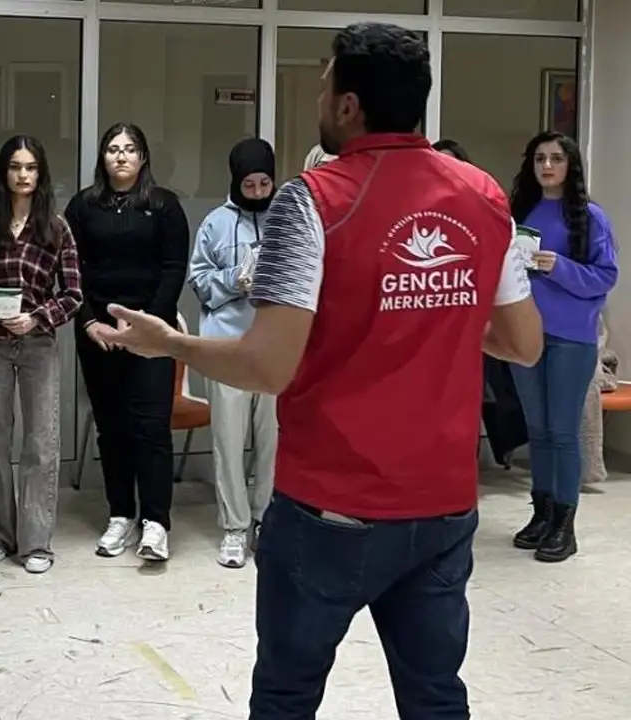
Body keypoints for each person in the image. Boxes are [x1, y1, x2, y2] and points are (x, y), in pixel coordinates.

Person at [93, 23, 543, 718]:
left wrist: (170, 344)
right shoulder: (483, 194)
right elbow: (522, 342)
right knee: (435, 698)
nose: (318, 98)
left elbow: (266, 365)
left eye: (324, 84)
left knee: (286, 696)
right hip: (444, 506)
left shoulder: (312, 200)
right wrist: (431, 312)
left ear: (348, 105)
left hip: (332, 509)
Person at [64, 122, 190, 562]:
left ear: (143, 157)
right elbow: (71, 271)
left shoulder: (164, 205)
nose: (121, 156)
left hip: (151, 336)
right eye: (113, 149)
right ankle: (120, 514)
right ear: (103, 157)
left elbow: (173, 269)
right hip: (99, 335)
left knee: (151, 427)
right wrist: (89, 323)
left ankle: (156, 522)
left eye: (130, 148)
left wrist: (147, 325)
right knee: (111, 427)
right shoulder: (82, 206)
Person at [0, 135, 82, 574]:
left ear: (40, 173)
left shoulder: (57, 227)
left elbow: (73, 294)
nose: (23, 175)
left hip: (38, 343)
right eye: (15, 167)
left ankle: (35, 543)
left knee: (41, 441)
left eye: (30, 167)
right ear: (3, 172)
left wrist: (37, 318)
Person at [506, 130, 618, 563]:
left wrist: (560, 268)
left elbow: (605, 277)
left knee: (562, 432)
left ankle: (564, 526)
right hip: (525, 334)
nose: (547, 166)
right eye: (539, 159)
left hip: (571, 338)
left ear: (570, 165)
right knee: (537, 430)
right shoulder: (520, 212)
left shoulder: (590, 218)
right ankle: (542, 513)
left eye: (555, 158)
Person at [187, 137, 278, 569]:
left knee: (273, 440)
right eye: (250, 185)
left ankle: (265, 519)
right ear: (236, 181)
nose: (258, 192)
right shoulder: (215, 224)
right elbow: (198, 282)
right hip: (227, 347)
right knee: (228, 438)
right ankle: (235, 527)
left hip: (275, 347)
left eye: (265, 184)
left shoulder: (287, 220)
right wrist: (232, 281)